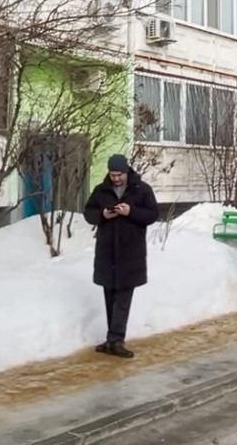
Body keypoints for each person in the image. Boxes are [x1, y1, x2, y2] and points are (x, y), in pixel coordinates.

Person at [83, 153, 159, 358]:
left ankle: (116, 340)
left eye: (119, 174)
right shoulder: (101, 190)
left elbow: (153, 215)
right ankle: (112, 339)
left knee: (123, 297)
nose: (116, 178)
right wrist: (102, 215)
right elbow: (88, 212)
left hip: (130, 253)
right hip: (107, 253)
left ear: (126, 171)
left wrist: (130, 211)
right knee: (110, 296)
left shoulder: (141, 190)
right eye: (112, 174)